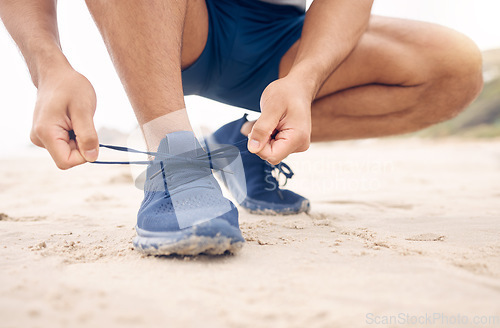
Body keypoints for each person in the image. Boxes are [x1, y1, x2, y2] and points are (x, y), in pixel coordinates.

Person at [0, 0, 483, 255]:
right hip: (176, 20)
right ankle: (177, 159)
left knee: (453, 67)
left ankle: (242, 144)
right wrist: (49, 68)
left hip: (285, 34)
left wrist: (303, 79)